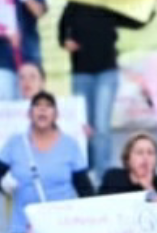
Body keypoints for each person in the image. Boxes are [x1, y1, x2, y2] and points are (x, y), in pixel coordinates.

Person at [0, 92, 94, 233]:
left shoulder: (70, 145)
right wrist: (2, 183)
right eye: (37, 106)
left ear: (56, 114)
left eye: (48, 106)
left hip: (62, 228)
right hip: (23, 229)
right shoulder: (15, 143)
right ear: (29, 114)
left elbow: (85, 190)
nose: (42, 111)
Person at [58, 0, 130, 174]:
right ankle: (86, 170)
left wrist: (148, 8)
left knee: (101, 126)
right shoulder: (74, 6)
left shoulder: (110, 4)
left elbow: (135, 19)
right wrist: (66, 42)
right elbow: (61, 33)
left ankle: (102, 174)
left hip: (106, 71)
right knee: (84, 126)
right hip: (81, 73)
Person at [100, 133, 157, 202]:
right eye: (139, 152)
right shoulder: (113, 177)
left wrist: (149, 188)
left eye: (150, 153)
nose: (145, 157)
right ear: (128, 158)